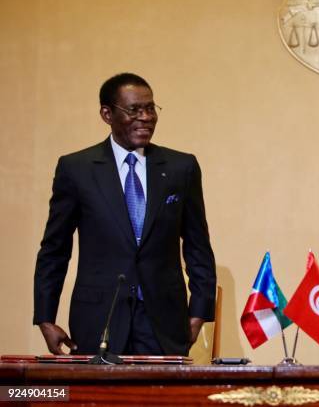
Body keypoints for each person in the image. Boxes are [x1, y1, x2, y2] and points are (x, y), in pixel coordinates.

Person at [33, 73, 216, 356]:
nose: (146, 117)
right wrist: (45, 317)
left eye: (150, 108)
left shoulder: (181, 167)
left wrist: (200, 312)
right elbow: (54, 250)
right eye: (134, 110)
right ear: (107, 114)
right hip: (98, 319)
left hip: (164, 323)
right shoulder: (77, 169)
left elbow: (198, 246)